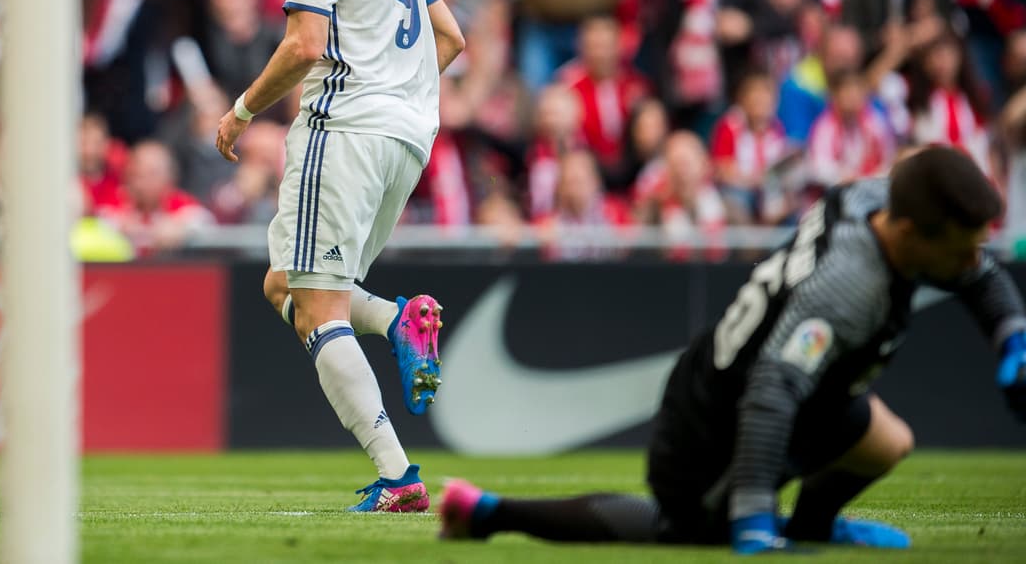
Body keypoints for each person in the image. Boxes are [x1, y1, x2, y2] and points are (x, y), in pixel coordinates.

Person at [439, 146, 1026, 552]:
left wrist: (1014, 340)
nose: (975, 262)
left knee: (887, 442)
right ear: (908, 233)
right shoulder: (848, 287)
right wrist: (751, 521)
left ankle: (814, 526)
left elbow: (980, 276)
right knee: (685, 530)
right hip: (710, 422)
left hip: (790, 389)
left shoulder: (878, 198)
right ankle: (491, 512)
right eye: (962, 247)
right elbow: (770, 393)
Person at [214, 0, 466, 512]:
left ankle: (398, 476)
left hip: (347, 129)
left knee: (315, 305)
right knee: (284, 286)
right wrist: (395, 94)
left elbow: (303, 45)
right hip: (407, 138)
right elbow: (450, 38)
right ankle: (397, 320)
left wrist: (240, 112)